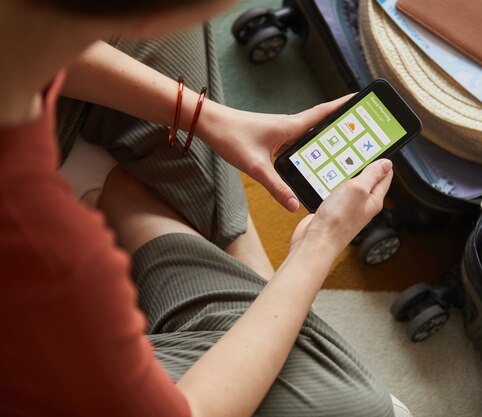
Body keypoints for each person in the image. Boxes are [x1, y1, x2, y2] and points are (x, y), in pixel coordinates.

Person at [0, 1, 401, 416]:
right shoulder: (48, 279)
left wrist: (205, 117)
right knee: (351, 405)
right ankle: (216, 249)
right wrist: (317, 247)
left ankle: (163, 215)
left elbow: (24, 33)